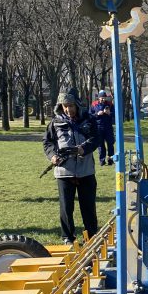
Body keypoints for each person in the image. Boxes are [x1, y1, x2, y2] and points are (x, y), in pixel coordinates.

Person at [43, 89, 99, 244]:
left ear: (77, 105)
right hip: (64, 172)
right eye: (65, 106)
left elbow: (96, 139)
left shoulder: (89, 120)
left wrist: (83, 149)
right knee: (66, 208)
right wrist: (52, 155)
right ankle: (68, 237)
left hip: (86, 170)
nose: (68, 109)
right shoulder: (55, 123)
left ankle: (92, 237)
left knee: (88, 207)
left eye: (71, 105)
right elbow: (48, 143)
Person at [90, 89, 115, 165]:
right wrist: (97, 114)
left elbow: (114, 114)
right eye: (102, 97)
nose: (103, 99)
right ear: (99, 98)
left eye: (104, 97)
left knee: (110, 144)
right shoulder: (94, 104)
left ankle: (110, 159)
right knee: (100, 145)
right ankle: (102, 160)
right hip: (98, 128)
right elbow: (90, 115)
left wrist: (109, 113)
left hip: (108, 127)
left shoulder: (110, 104)